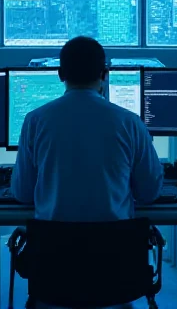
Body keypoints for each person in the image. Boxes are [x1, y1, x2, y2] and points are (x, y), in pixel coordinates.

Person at [11, 36, 163, 221]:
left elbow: (23, 194)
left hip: (53, 247)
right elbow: (149, 193)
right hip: (115, 248)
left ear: (60, 74)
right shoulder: (130, 123)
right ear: (104, 74)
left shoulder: (34, 121)